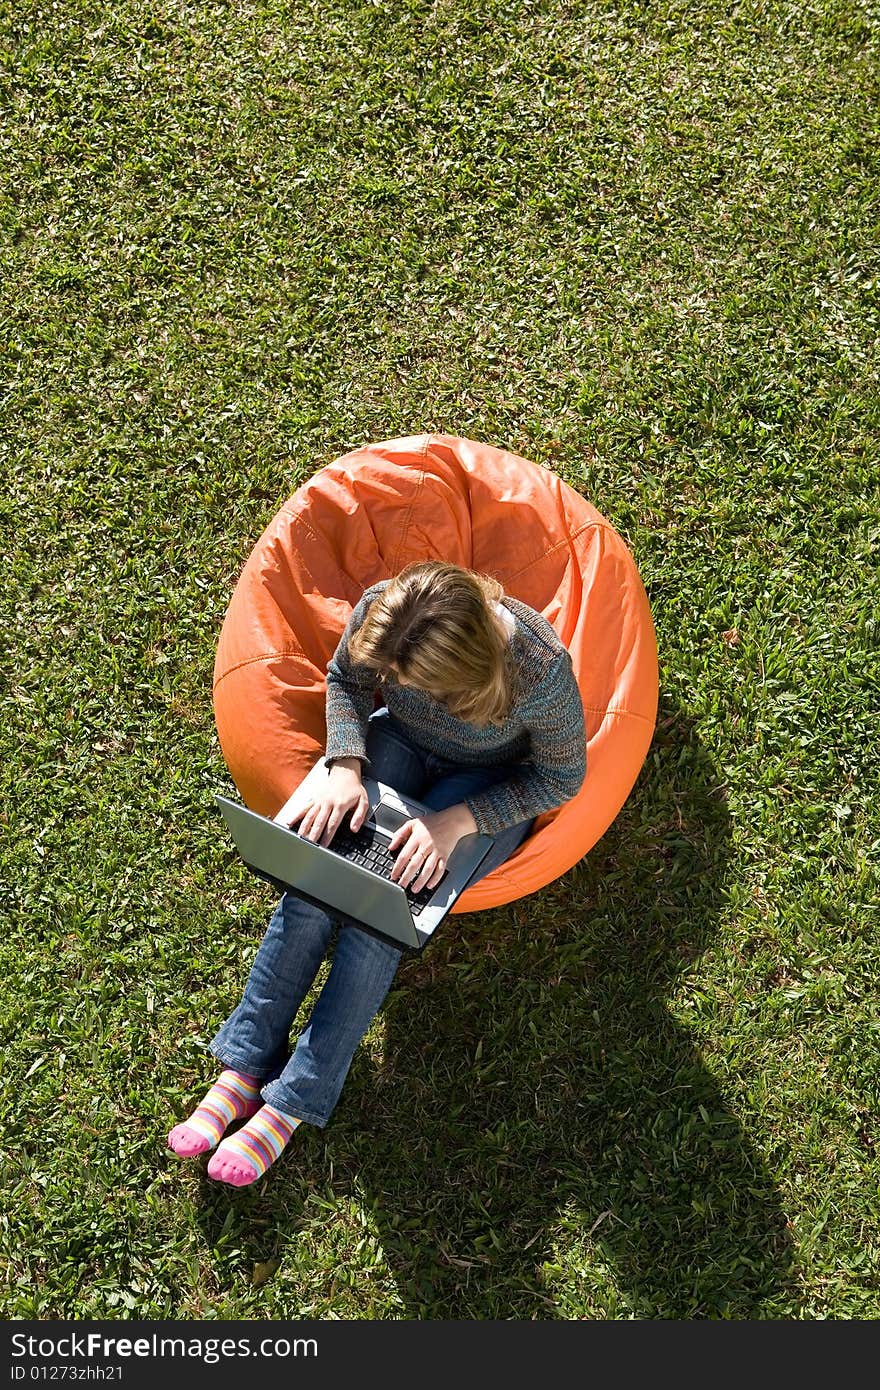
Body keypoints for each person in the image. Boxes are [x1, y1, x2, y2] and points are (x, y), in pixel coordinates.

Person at [168, 560, 587, 1186]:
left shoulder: (538, 670)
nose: (391, 678)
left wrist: (456, 822)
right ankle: (245, 1063)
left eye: (406, 678)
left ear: (466, 680)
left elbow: (560, 776)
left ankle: (293, 1100)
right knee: (318, 879)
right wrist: (345, 763)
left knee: (381, 913)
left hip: (486, 785)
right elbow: (347, 679)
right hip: (396, 747)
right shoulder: (389, 610)